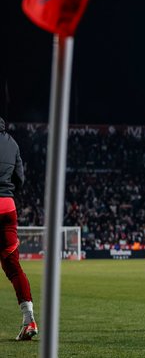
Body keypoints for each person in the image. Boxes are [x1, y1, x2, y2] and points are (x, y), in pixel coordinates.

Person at [0, 117, 38, 340]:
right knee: (13, 268)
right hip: (8, 206)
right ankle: (29, 320)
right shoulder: (13, 143)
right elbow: (20, 180)